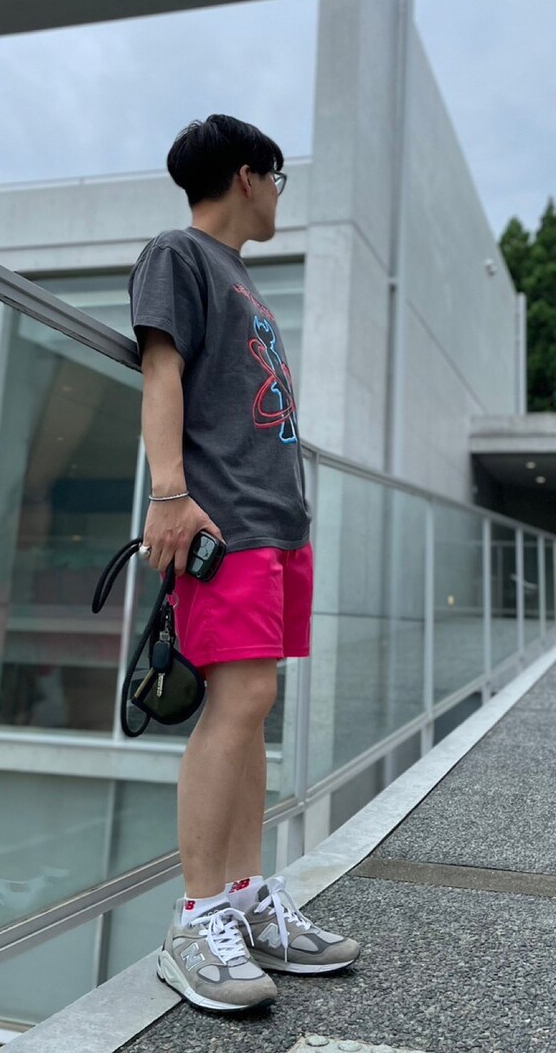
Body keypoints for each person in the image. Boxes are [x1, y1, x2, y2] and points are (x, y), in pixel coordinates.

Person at [128, 114, 360, 1016]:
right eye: (277, 179)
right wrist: (169, 494)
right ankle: (195, 923)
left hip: (275, 522)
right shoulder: (178, 254)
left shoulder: (241, 275)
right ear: (246, 177)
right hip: (225, 522)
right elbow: (162, 372)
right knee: (238, 704)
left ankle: (246, 900)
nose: (278, 196)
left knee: (253, 706)